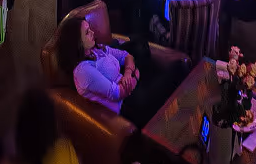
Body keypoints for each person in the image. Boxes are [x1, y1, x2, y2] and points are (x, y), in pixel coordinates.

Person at [57, 15, 186, 129]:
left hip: (130, 86)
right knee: (178, 68)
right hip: (128, 105)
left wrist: (128, 74)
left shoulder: (96, 50)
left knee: (142, 46)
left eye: (89, 28)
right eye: (87, 32)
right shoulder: (83, 70)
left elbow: (126, 55)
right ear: (77, 42)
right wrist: (136, 74)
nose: (92, 32)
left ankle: (176, 117)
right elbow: (116, 93)